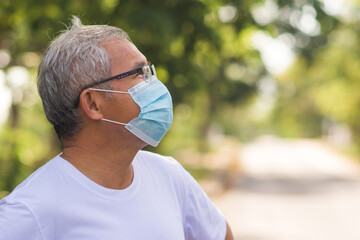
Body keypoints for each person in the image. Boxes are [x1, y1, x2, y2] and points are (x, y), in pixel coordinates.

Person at [0, 17, 234, 240]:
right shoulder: (29, 211)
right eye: (139, 73)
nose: (154, 83)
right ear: (93, 103)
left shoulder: (169, 176)